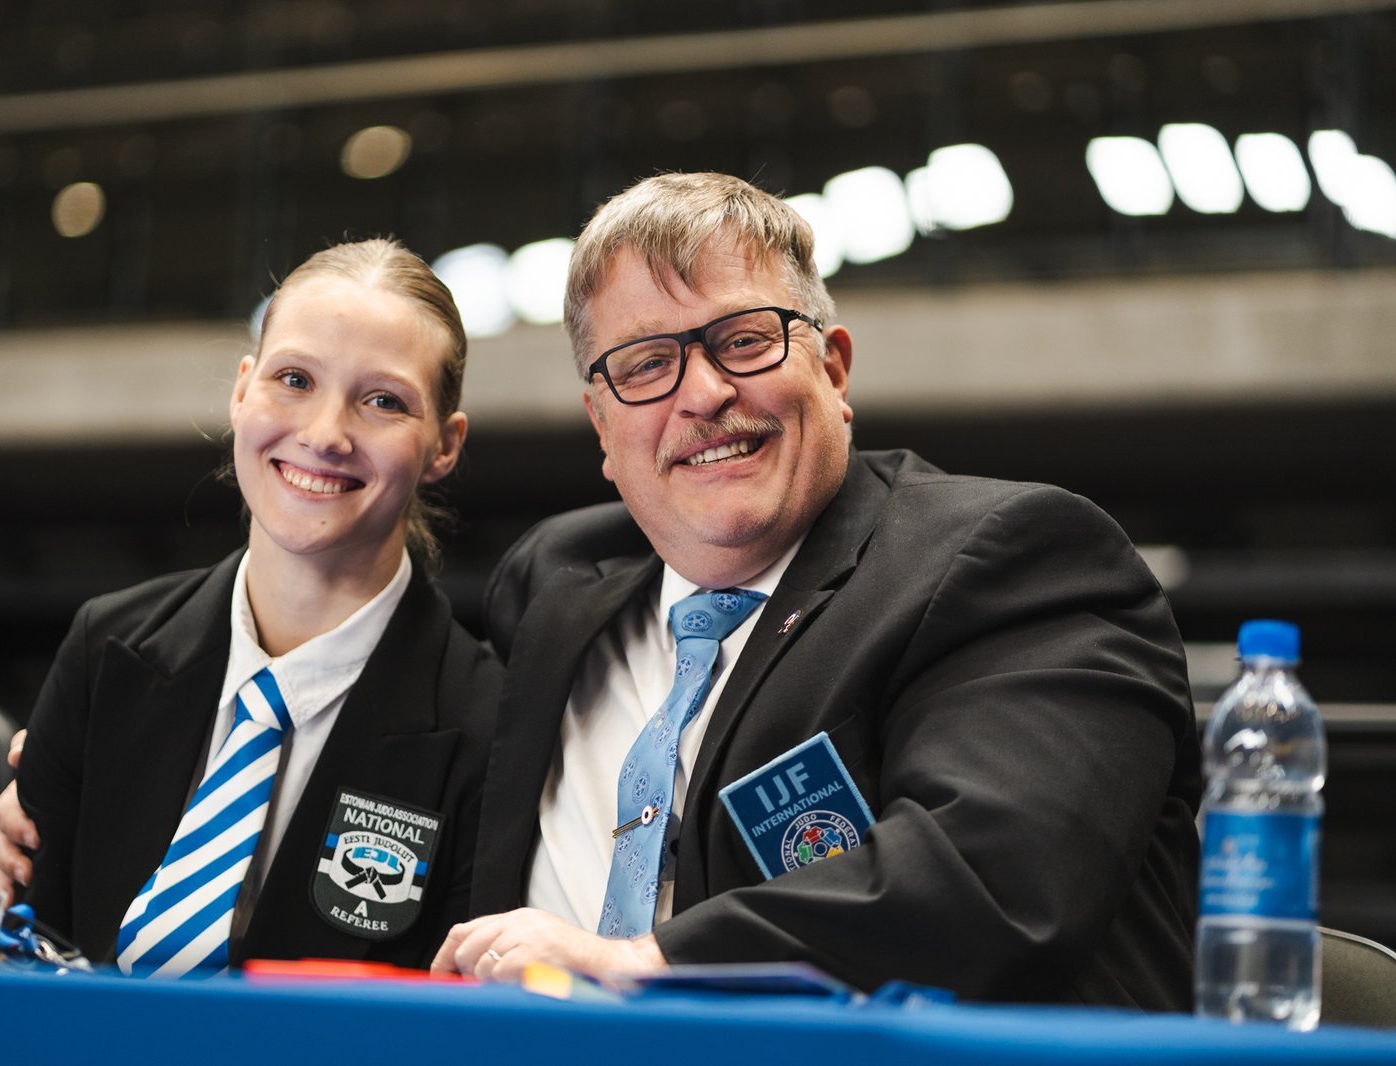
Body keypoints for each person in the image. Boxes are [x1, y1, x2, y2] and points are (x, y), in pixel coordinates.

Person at [431, 172, 1202, 1010]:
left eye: (744, 340)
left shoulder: (1019, 560)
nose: (704, 394)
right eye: (647, 363)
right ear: (602, 426)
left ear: (833, 370)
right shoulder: (553, 587)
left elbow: (995, 878)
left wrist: (640, 963)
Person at [0, 238, 499, 976]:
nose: (324, 434)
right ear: (241, 392)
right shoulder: (107, 649)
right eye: (294, 379)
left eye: (383, 401)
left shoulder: (489, 727)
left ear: (443, 446)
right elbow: (26, 967)